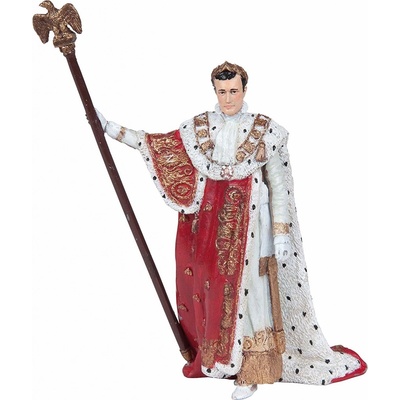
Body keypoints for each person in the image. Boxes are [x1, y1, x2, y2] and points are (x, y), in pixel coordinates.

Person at [96, 61, 366, 400]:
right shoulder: (199, 128)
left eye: (233, 91)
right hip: (211, 227)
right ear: (215, 91)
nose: (228, 99)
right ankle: (226, 359)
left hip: (253, 225)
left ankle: (253, 370)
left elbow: (279, 184)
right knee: (215, 290)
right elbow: (158, 145)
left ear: (244, 90)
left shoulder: (266, 131)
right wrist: (110, 128)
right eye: (222, 92)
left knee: (251, 291)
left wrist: (281, 232)